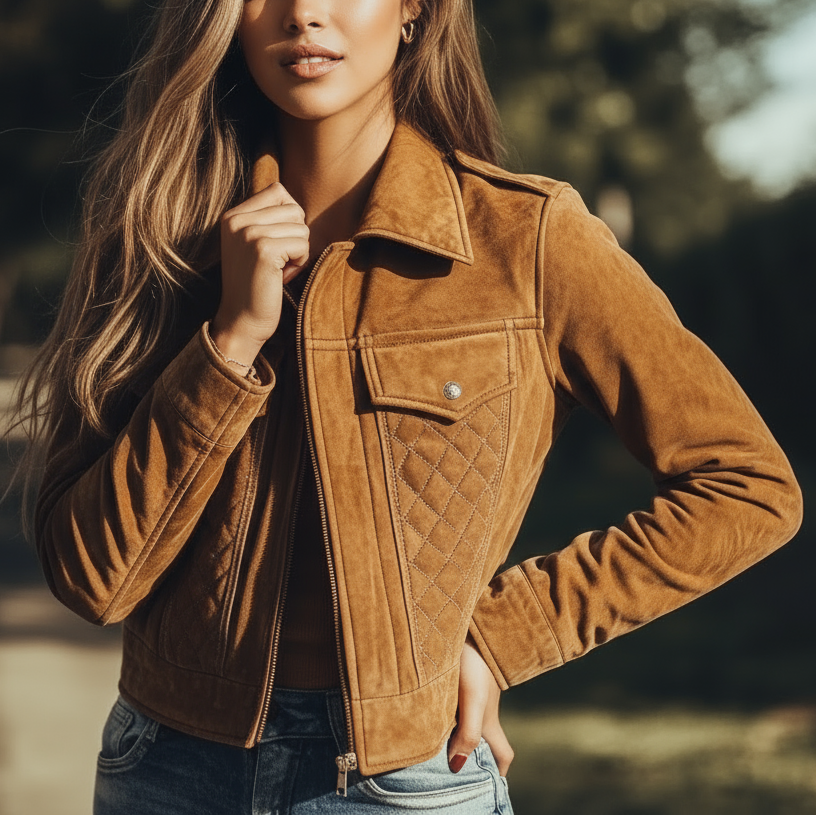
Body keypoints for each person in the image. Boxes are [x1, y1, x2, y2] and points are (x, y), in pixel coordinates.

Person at [9, 0, 802, 813]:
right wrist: (231, 339)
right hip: (167, 769)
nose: (303, 13)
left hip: (405, 783)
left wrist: (503, 638)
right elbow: (92, 580)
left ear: (415, 9)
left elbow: (746, 485)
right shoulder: (158, 234)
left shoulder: (526, 242)